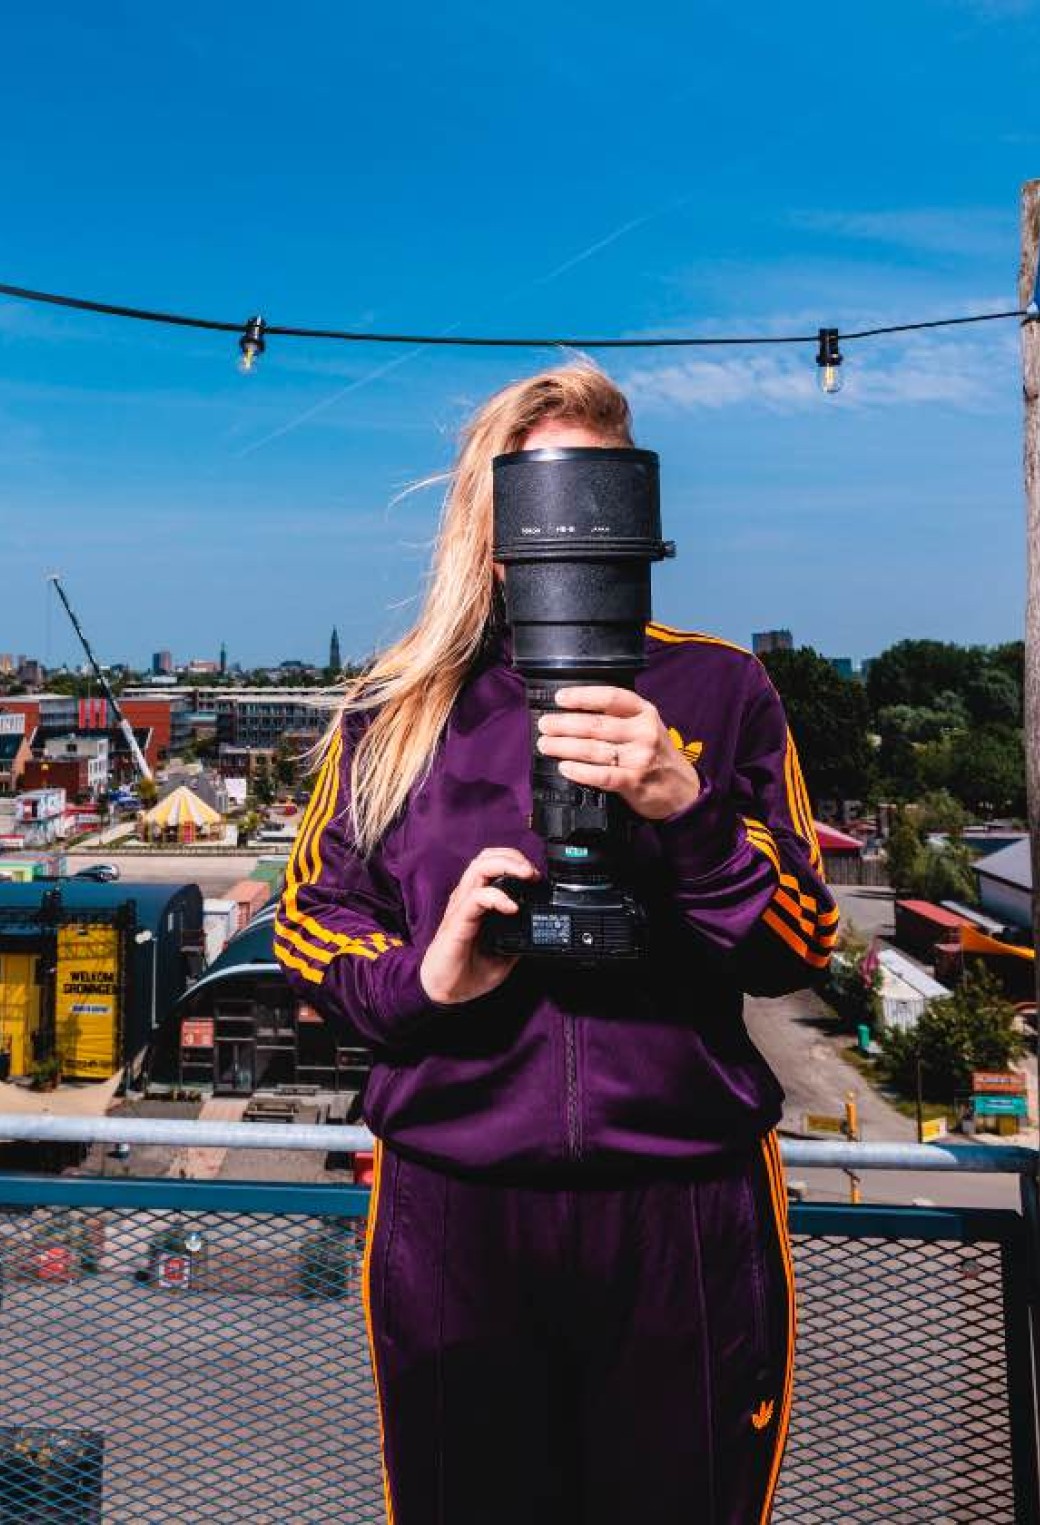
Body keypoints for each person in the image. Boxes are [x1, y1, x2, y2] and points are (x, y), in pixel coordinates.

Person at [275, 362, 838, 1525]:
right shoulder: (395, 710)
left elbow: (800, 943)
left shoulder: (718, 688)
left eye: (595, 499)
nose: (569, 532)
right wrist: (427, 973)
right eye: (538, 502)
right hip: (454, 1208)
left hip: (678, 1202)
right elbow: (306, 927)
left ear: (641, 519)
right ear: (487, 530)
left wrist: (686, 812)